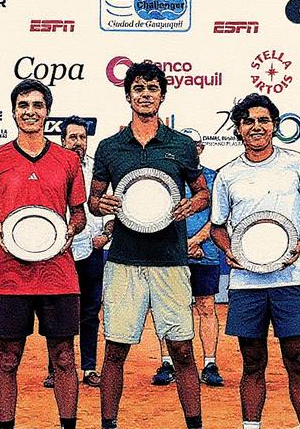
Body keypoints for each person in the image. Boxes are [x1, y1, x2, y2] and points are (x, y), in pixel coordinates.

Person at [89, 62, 210, 429]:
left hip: (171, 261)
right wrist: (101, 205)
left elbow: (202, 191)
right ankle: (108, 424)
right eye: (138, 88)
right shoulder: (110, 148)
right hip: (124, 261)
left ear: (161, 95)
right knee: (115, 350)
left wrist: (194, 203)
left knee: (183, 351)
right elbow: (94, 200)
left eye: (152, 88)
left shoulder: (182, 145)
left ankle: (194, 424)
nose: (145, 94)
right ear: (128, 95)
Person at [0, 80, 87, 429]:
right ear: (13, 111)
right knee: (7, 358)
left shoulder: (67, 160)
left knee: (65, 357)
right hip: (10, 277)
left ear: (47, 113)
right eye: (23, 105)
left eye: (37, 105)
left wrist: (72, 230)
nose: (30, 112)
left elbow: (79, 214)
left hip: (58, 274)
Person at [210, 93, 300, 429]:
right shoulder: (227, 175)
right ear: (238, 129)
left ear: (275, 126)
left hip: (289, 279)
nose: (257, 127)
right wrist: (229, 250)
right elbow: (218, 228)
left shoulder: (298, 163)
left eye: (263, 120)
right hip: (246, 283)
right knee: (252, 362)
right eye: (249, 121)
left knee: (298, 361)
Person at [42, 116, 113, 389]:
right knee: (57, 314)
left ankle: (89, 367)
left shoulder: (98, 169)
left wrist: (106, 235)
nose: (78, 143)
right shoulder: (50, 167)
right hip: (58, 254)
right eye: (72, 137)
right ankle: (55, 369)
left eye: (82, 137)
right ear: (62, 140)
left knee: (90, 312)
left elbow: (112, 206)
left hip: (91, 252)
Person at [152, 128, 224, 388]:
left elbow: (219, 218)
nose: (190, 149)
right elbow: (156, 216)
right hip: (170, 255)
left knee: (206, 307)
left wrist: (195, 241)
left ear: (201, 148)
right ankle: (167, 362)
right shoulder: (164, 176)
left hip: (205, 253)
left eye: (194, 144)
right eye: (185, 144)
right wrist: (180, 246)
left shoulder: (214, 178)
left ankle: (210, 364)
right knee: (167, 309)